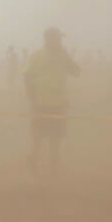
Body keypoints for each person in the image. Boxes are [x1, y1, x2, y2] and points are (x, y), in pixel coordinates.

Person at [24, 27, 81, 177]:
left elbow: (76, 72)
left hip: (59, 103)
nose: (59, 41)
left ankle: (53, 162)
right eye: (56, 38)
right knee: (38, 134)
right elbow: (27, 76)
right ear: (47, 39)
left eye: (60, 39)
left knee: (56, 135)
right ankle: (33, 159)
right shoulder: (36, 55)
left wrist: (67, 57)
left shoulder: (63, 55)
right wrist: (32, 99)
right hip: (40, 103)